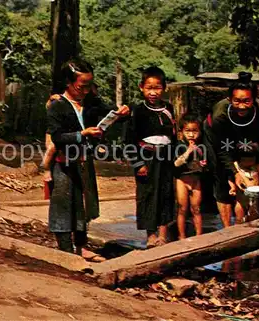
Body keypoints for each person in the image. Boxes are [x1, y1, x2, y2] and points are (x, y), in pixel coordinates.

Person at [46, 58, 129, 260]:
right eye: (82, 86)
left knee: (83, 204)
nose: (85, 90)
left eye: (89, 86)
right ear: (69, 83)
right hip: (64, 163)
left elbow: (113, 113)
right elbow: (57, 137)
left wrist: (124, 112)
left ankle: (81, 246)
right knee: (64, 204)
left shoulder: (91, 103)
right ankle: (65, 250)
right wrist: (82, 134)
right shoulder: (57, 106)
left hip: (84, 160)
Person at [204, 71, 259, 227]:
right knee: (221, 175)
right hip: (218, 140)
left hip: (246, 136)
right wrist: (235, 172)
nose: (241, 106)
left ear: (254, 100)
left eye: (246, 101)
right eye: (236, 101)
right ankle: (227, 228)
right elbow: (223, 149)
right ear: (229, 99)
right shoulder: (220, 115)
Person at [123, 66, 176, 248]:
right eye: (149, 88)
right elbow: (129, 141)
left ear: (164, 88)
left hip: (166, 158)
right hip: (146, 158)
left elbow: (173, 136)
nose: (153, 92)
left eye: (157, 88)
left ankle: (163, 234)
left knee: (166, 194)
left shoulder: (169, 109)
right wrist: (138, 164)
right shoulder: (137, 111)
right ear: (141, 87)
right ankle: (151, 235)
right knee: (148, 196)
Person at [174, 113, 207, 239]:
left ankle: (199, 235)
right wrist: (188, 151)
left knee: (196, 209)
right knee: (182, 209)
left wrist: (203, 163)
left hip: (196, 180)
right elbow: (176, 163)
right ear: (181, 131)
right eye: (188, 131)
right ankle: (181, 236)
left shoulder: (201, 146)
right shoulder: (179, 145)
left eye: (195, 131)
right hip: (182, 180)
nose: (191, 134)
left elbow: (202, 162)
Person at [229, 145, 259, 222]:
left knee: (254, 217)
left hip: (254, 198)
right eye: (245, 161)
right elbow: (230, 178)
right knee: (239, 218)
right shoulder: (236, 166)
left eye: (251, 161)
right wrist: (232, 188)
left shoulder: (258, 167)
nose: (248, 163)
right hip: (241, 197)